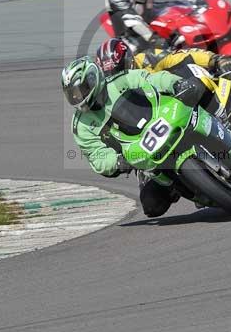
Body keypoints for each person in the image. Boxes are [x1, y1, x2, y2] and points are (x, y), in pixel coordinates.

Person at [62, 55, 213, 218]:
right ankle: (181, 188)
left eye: (80, 90)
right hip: (142, 157)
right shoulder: (81, 126)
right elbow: (95, 155)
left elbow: (154, 79)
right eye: (73, 94)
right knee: (152, 205)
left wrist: (176, 84)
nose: (78, 97)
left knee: (199, 93)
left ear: (93, 79)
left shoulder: (122, 80)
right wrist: (117, 162)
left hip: (165, 119)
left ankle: (230, 130)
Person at [95, 38, 231, 123]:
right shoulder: (114, 96)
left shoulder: (146, 59)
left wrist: (214, 59)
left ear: (129, 60)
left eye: (121, 69)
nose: (120, 76)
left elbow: (180, 56)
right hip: (164, 125)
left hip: (187, 97)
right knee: (152, 205)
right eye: (112, 74)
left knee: (225, 75)